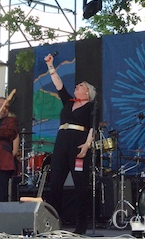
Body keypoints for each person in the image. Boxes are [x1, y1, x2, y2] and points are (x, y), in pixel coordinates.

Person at [43, 53, 95, 234]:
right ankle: (54, 221)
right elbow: (58, 84)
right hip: (62, 142)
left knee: (80, 184)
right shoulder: (68, 102)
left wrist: (87, 145)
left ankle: (81, 224)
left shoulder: (91, 106)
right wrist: (50, 65)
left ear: (87, 92)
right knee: (55, 182)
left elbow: (93, 126)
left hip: (78, 144)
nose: (77, 86)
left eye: (80, 86)